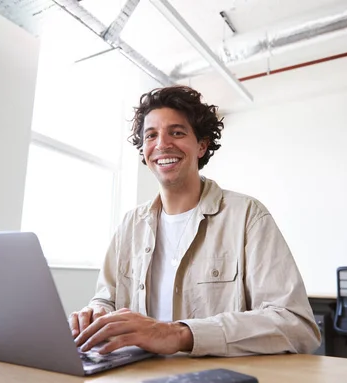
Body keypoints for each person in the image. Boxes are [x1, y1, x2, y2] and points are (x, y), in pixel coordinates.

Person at [71, 86, 320, 357]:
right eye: (151, 135)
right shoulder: (130, 225)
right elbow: (105, 298)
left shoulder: (247, 215)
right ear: (143, 150)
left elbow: (296, 325)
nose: (162, 144)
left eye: (177, 132)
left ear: (201, 145)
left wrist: (178, 334)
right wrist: (96, 314)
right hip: (137, 373)